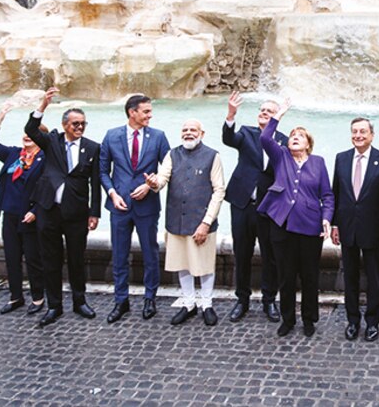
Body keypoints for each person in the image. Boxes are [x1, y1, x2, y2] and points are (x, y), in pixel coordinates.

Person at [25, 87, 102, 327]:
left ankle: (79, 302)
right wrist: (43, 105)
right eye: (75, 124)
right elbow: (30, 129)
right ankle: (54, 306)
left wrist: (95, 212)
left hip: (77, 212)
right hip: (48, 209)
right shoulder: (51, 141)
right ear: (65, 124)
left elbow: (96, 182)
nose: (79, 127)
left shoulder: (92, 147)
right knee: (50, 259)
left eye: (83, 124)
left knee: (77, 258)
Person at [257, 101, 334, 337]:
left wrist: (327, 218)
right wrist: (278, 116)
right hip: (282, 225)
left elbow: (327, 195)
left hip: (310, 227)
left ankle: (309, 319)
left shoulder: (318, 162)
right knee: (285, 276)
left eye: (300, 136)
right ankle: (288, 319)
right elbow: (265, 139)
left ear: (308, 144)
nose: (295, 138)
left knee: (309, 276)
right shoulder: (281, 156)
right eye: (292, 135)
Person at [146, 119, 226, 327]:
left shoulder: (212, 156)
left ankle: (207, 304)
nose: (188, 133)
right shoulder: (172, 154)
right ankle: (189, 303)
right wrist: (154, 184)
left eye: (193, 130)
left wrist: (206, 222)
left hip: (202, 222)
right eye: (185, 130)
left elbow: (219, 190)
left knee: (205, 265)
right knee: (182, 263)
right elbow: (162, 179)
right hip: (176, 220)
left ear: (202, 133)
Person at [100, 94, 171, 324]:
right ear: (132, 112)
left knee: (150, 253)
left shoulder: (159, 137)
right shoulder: (111, 136)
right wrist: (111, 193)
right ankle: (121, 300)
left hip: (147, 205)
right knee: (119, 255)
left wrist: (150, 186)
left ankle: (150, 298)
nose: (150, 115)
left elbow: (168, 170)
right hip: (119, 204)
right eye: (146, 111)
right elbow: (102, 171)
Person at [222, 91, 287, 323]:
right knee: (242, 253)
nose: (263, 113)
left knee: (270, 256)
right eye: (262, 110)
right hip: (242, 204)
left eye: (269, 111)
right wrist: (231, 114)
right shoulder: (246, 133)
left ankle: (269, 300)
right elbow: (229, 139)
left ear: (278, 116)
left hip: (269, 208)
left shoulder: (284, 141)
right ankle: (242, 300)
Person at [331, 117, 379, 342]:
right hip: (347, 228)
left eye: (363, 132)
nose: (358, 135)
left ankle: (373, 322)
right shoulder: (341, 158)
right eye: (355, 131)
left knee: (375, 278)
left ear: (372, 135)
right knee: (350, 277)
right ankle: (353, 320)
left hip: (374, 230)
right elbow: (335, 193)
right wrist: (335, 224)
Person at [0, 102, 47, 315]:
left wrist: (37, 211)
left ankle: (38, 298)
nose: (27, 136)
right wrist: (0, 117)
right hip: (10, 213)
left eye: (33, 134)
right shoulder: (13, 154)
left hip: (30, 216)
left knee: (33, 259)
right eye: (26, 133)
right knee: (12, 258)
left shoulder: (46, 159)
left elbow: (47, 189)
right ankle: (15, 297)